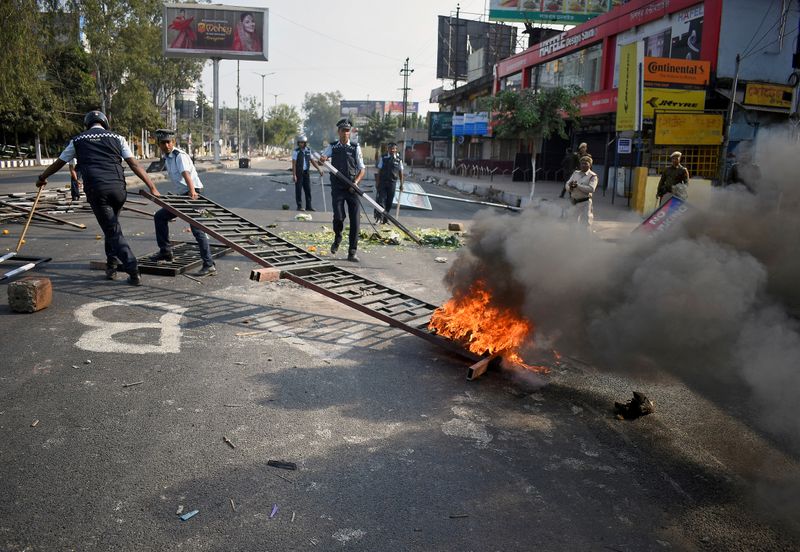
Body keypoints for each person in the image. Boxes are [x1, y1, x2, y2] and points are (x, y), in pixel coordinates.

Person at [36, 110, 160, 286]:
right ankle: (111, 266)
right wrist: (152, 187)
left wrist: (42, 177)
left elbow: (59, 162)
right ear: (104, 123)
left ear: (87, 124)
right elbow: (134, 164)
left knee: (112, 230)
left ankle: (132, 268)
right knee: (112, 227)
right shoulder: (118, 138)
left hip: (97, 191)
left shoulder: (78, 140)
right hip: (118, 190)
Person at [150, 129, 216, 277]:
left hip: (194, 194)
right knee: (160, 217)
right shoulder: (167, 158)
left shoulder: (180, 156)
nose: (167, 145)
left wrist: (192, 192)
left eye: (169, 142)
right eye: (163, 143)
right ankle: (165, 252)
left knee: (198, 229)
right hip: (182, 196)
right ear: (159, 145)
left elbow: (186, 173)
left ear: (173, 142)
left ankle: (209, 264)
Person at [319, 118, 366, 263]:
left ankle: (352, 252)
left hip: (352, 188)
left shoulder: (355, 147)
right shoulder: (333, 146)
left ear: (350, 132)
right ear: (338, 132)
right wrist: (323, 158)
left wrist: (356, 182)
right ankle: (338, 237)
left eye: (348, 130)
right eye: (343, 130)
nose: (346, 133)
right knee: (339, 217)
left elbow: (362, 168)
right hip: (338, 188)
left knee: (355, 221)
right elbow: (324, 157)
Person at [565, 155, 598, 229]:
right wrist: (570, 187)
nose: (583, 165)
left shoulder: (593, 176)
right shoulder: (576, 173)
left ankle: (585, 238)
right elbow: (567, 183)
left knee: (586, 223)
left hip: (585, 202)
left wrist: (578, 186)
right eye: (582, 163)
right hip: (574, 201)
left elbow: (591, 189)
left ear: (590, 165)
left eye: (586, 163)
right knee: (572, 222)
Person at [374, 142, 404, 223]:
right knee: (381, 200)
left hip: (392, 183)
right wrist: (377, 182)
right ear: (388, 149)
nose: (392, 150)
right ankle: (379, 218)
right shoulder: (383, 158)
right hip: (383, 182)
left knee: (389, 202)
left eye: (394, 149)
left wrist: (401, 184)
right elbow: (379, 171)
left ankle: (385, 219)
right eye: (390, 148)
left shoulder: (399, 159)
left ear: (396, 150)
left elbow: (401, 172)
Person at [292, 134, 322, 211]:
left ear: (305, 143)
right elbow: (294, 164)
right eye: (300, 142)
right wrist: (294, 175)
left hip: (306, 173)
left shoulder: (308, 150)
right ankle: (299, 206)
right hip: (299, 173)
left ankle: (309, 206)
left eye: (303, 142)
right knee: (298, 190)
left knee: (308, 190)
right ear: (298, 143)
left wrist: (319, 169)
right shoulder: (296, 151)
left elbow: (312, 161)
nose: (301, 144)